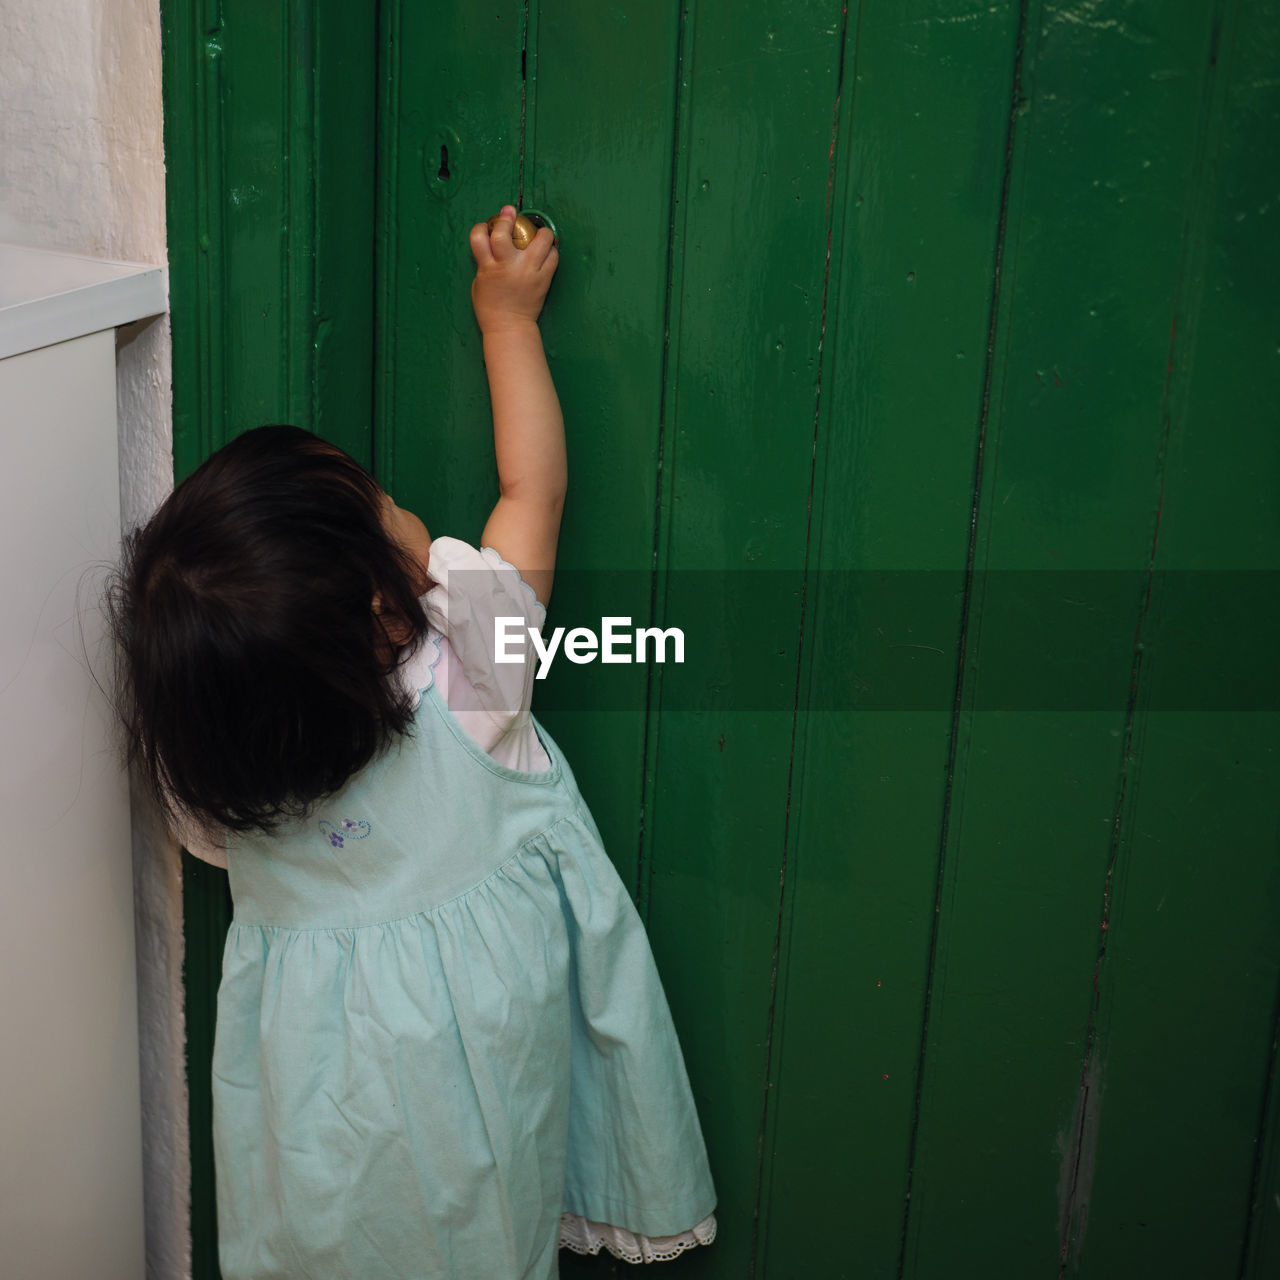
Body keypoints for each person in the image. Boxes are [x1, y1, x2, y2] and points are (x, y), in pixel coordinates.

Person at [110, 206, 717, 1278]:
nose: (396, 505)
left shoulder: (209, 765)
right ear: (384, 609)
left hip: (313, 1117)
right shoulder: (473, 674)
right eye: (380, 507)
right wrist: (505, 320)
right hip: (467, 1098)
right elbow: (534, 491)